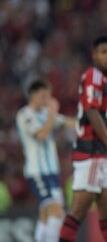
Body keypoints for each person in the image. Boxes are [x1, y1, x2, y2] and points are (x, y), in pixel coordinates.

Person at [59, 36, 107, 242]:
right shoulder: (93, 76)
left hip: (99, 155)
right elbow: (91, 110)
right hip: (91, 153)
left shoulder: (102, 80)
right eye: (104, 52)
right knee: (77, 213)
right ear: (94, 55)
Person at [16, 79, 75, 242]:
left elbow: (67, 122)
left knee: (46, 213)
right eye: (44, 96)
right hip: (37, 172)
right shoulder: (25, 115)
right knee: (55, 210)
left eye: (48, 96)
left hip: (52, 171)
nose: (47, 100)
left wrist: (90, 120)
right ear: (33, 96)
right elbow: (41, 135)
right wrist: (52, 114)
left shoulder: (45, 113)